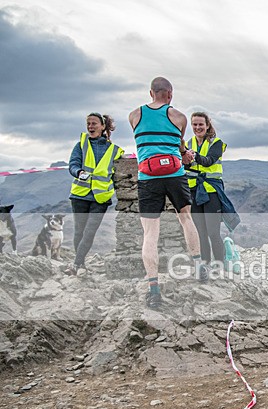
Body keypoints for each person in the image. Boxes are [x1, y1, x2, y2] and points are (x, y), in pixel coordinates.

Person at [128, 77, 201, 309]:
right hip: (175, 173)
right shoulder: (179, 117)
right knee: (186, 218)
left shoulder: (134, 116)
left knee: (150, 233)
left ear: (151, 92)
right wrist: (185, 154)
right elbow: (179, 145)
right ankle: (199, 267)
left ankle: (154, 289)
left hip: (148, 177)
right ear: (170, 94)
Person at [66, 113, 124, 275]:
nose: (90, 127)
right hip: (80, 195)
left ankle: (76, 264)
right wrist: (78, 172)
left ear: (103, 127)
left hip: (101, 197)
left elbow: (121, 171)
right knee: (79, 231)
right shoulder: (81, 145)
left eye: (94, 124)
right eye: (88, 124)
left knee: (90, 231)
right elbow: (73, 165)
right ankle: (80, 264)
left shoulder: (114, 150)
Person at [184, 111, 228, 277]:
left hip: (211, 192)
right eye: (194, 124)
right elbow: (186, 166)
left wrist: (192, 156)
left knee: (213, 232)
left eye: (200, 124)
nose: (197, 127)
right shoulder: (188, 143)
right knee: (200, 232)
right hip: (194, 191)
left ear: (207, 125)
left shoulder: (216, 143)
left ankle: (220, 266)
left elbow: (209, 161)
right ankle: (205, 266)